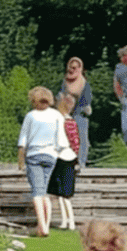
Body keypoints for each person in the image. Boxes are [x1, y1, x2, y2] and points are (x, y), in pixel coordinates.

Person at [17, 86, 71, 237]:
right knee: (44, 192)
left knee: (37, 192)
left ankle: (42, 226)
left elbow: (23, 139)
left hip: (34, 155)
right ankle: (45, 225)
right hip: (51, 155)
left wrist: (20, 160)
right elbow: (61, 138)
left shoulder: (31, 116)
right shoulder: (56, 115)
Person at [47, 93, 79, 230]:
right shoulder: (60, 120)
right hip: (59, 157)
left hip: (66, 157)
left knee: (65, 194)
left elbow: (74, 141)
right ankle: (64, 221)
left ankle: (71, 221)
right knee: (59, 193)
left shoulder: (67, 121)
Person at [55, 56, 92, 169]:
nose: (72, 70)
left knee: (82, 138)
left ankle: (81, 162)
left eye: (75, 67)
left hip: (79, 114)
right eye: (71, 67)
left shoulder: (84, 83)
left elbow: (87, 101)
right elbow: (60, 96)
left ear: (80, 68)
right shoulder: (65, 82)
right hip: (66, 114)